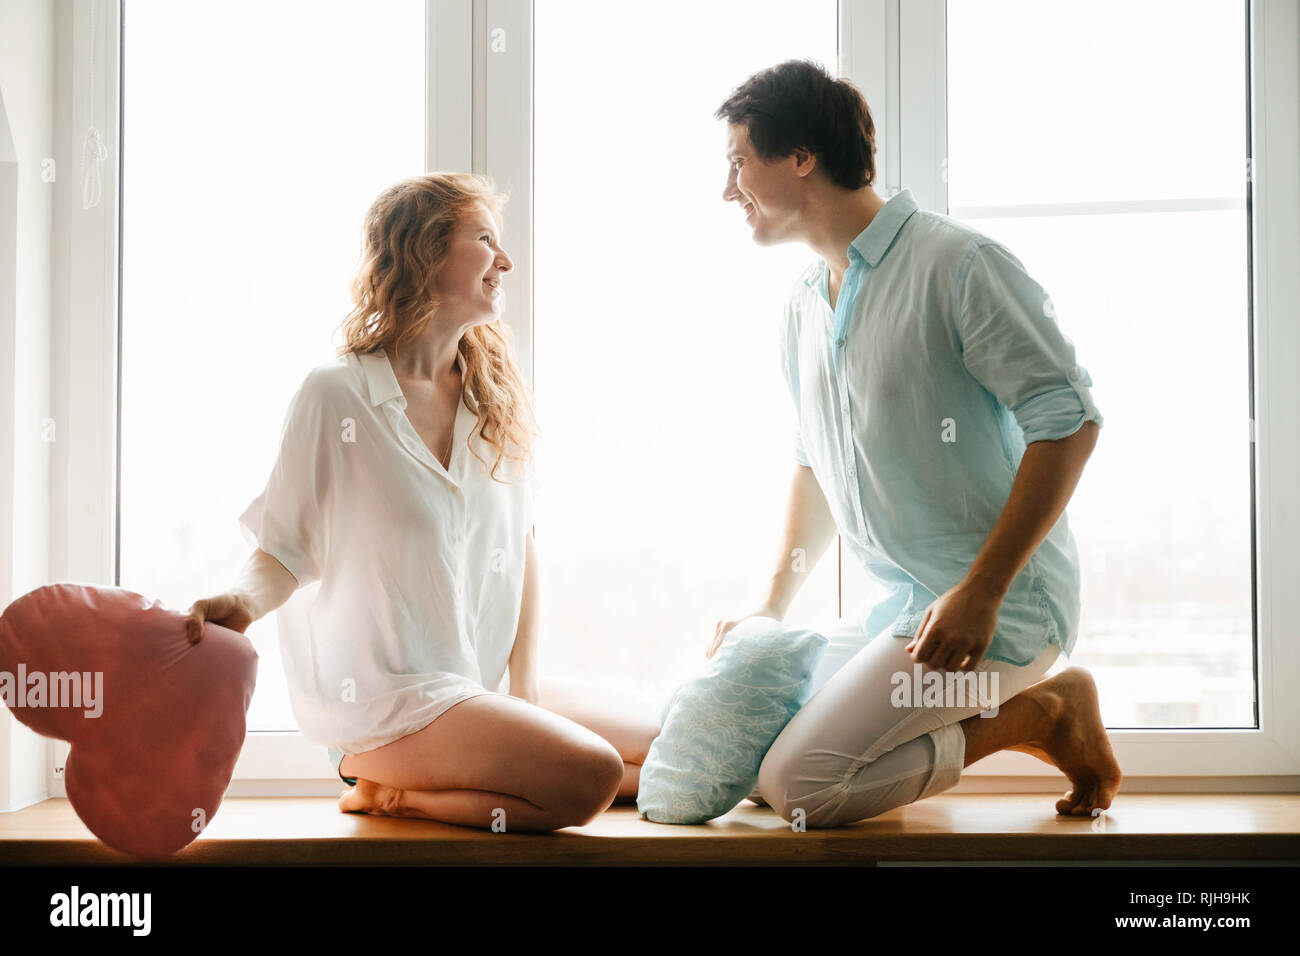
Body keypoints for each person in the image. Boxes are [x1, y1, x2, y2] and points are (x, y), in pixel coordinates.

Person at [710, 59, 1122, 826]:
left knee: (804, 790)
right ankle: (1036, 710)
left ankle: (1044, 714)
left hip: (998, 615)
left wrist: (985, 591)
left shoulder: (957, 266)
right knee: (748, 759)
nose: (727, 189)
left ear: (800, 155)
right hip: (896, 616)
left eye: (738, 161)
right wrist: (769, 604)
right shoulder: (803, 306)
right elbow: (814, 464)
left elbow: (1068, 422)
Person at [186, 173, 660, 833]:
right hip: (387, 707)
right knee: (589, 776)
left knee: (666, 749)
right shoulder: (337, 396)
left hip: (477, 690)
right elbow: (283, 550)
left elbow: (520, 548)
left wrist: (521, 692)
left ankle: (438, 773)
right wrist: (238, 603)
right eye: (486, 240)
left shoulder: (492, 397)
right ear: (428, 252)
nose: (506, 261)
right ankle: (385, 789)